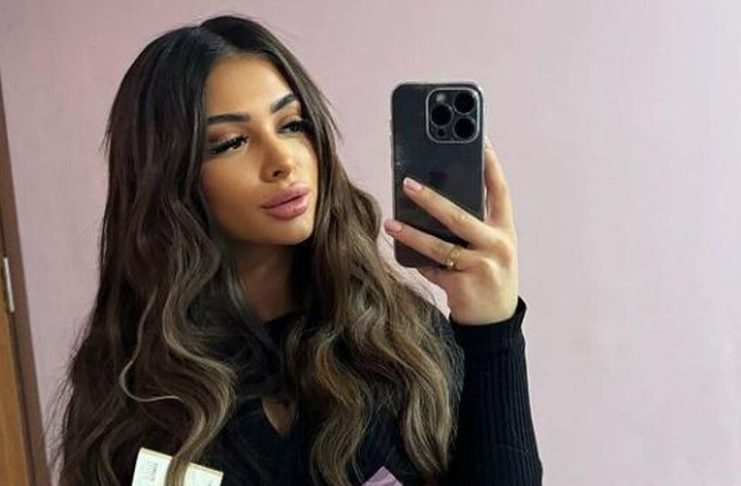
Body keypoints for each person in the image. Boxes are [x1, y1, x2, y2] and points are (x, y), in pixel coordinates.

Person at [54, 14, 542, 486]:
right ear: (169, 177)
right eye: (231, 142)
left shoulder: (402, 342)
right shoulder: (132, 394)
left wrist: (492, 329)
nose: (282, 161)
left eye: (292, 125)